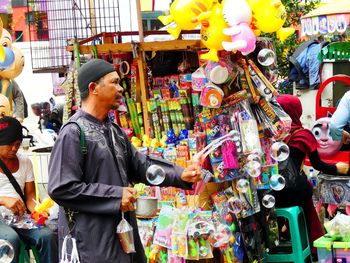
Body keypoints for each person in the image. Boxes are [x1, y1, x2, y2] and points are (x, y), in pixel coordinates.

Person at [48, 59, 202, 263]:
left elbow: (141, 166)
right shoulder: (73, 132)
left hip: (123, 233)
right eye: (114, 82)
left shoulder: (114, 131)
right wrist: (114, 196)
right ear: (93, 88)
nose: (121, 88)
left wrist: (179, 174)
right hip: (92, 240)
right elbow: (61, 187)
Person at [274, 94, 349, 254]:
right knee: (305, 190)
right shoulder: (304, 135)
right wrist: (338, 168)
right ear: (297, 111)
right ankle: (314, 246)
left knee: (279, 202)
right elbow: (318, 165)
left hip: (274, 190)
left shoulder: (271, 134)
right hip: (296, 191)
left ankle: (281, 235)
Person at [0, 116, 58, 263]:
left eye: (17, 144)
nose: (14, 149)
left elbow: (30, 198)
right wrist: (3, 200)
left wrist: (38, 210)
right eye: (9, 145)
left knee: (47, 236)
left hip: (19, 218)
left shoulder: (25, 162)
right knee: (10, 239)